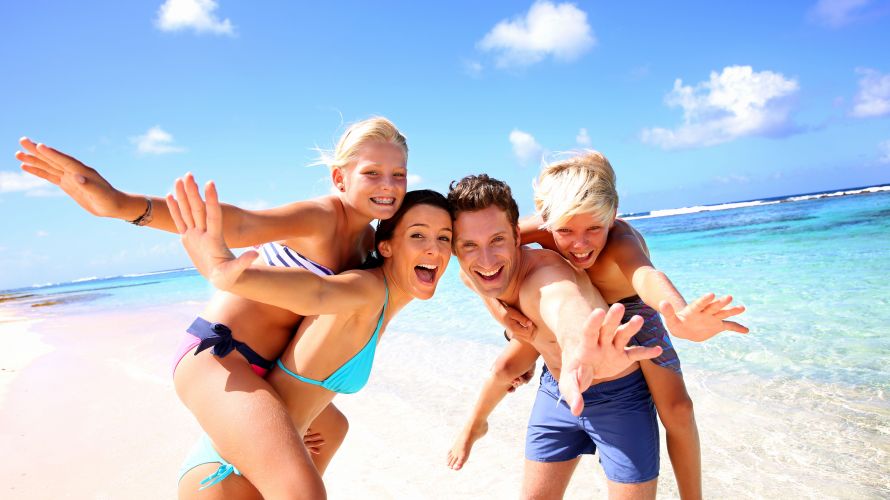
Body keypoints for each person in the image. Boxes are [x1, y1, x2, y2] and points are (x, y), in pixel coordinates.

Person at [15, 117, 408, 498]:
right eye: (372, 173)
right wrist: (120, 204)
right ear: (340, 178)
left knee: (332, 429)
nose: (388, 185)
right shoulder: (322, 216)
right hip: (219, 358)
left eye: (399, 174)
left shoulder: (372, 247)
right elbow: (237, 225)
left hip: (271, 370)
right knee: (300, 490)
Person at [447, 156, 748, 499]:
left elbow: (646, 276)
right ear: (547, 218)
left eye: (594, 228)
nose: (580, 243)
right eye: (566, 231)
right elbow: (473, 266)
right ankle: (476, 422)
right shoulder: (536, 227)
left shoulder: (621, 240)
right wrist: (501, 312)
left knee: (678, 409)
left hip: (631, 311)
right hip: (575, 322)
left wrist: (677, 314)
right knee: (504, 368)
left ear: (613, 213)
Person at [171, 186, 454, 498]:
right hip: (226, 478)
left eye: (444, 238)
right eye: (418, 235)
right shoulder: (367, 291)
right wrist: (232, 276)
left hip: (256, 472)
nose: (434, 249)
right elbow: (317, 291)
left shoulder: (387, 299)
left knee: (337, 428)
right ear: (386, 247)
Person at [446, 173, 664, 499]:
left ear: (516, 235)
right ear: (454, 250)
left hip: (618, 396)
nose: (487, 260)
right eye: (470, 246)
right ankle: (475, 424)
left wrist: (580, 348)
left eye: (498, 241)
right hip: (555, 393)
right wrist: (501, 313)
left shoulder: (546, 276)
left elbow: (564, 303)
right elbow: (472, 276)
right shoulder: (470, 271)